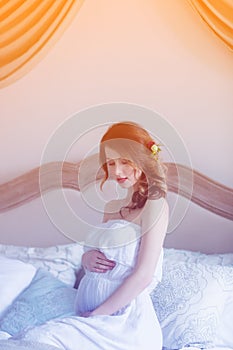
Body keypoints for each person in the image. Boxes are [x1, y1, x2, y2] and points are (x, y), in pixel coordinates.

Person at [19, 121, 169, 350]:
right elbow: (101, 254)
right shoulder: (112, 207)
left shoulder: (155, 205)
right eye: (111, 163)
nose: (116, 171)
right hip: (91, 317)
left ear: (142, 159)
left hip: (123, 323)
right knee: (30, 338)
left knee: (41, 339)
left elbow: (144, 275)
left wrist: (97, 314)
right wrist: (86, 259)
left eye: (125, 162)